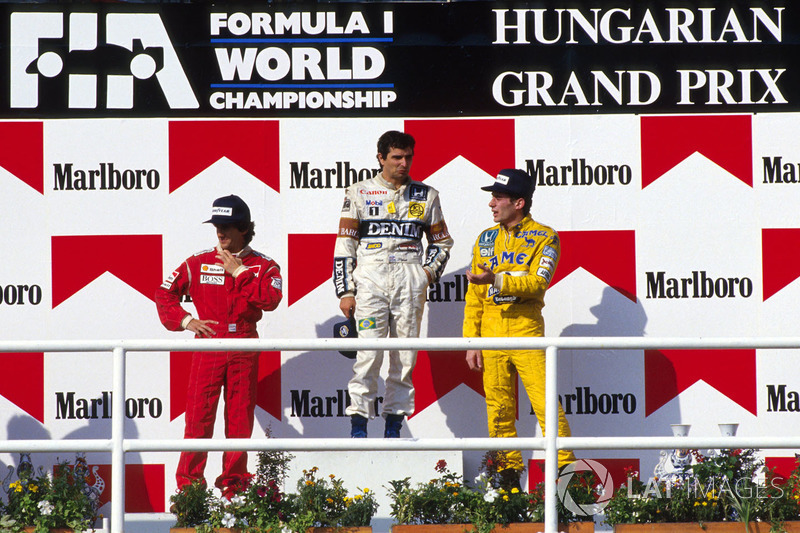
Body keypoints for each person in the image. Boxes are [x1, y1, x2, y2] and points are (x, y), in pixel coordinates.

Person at [155, 194, 283, 496]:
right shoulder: (198, 262)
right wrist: (187, 321)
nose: (220, 233)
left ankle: (234, 491)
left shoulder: (264, 265)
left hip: (243, 343)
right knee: (198, 418)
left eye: (226, 226)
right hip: (209, 343)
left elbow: (271, 300)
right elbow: (164, 294)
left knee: (239, 420)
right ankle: (190, 494)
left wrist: (238, 272)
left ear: (243, 228)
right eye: (216, 226)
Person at [333, 131, 454, 438]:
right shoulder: (358, 192)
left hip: (409, 281)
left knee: (404, 357)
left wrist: (426, 274)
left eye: (408, 157)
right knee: (368, 355)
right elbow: (345, 244)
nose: (404, 163)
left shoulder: (427, 195)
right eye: (397, 157)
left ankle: (393, 427)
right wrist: (345, 290)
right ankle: (359, 427)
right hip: (370, 281)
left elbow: (442, 243)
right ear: (381, 158)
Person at [463, 169, 576, 490]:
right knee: (498, 412)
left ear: (519, 202)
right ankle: (506, 485)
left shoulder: (545, 236)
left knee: (546, 408)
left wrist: (496, 279)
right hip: (491, 337)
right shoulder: (485, 239)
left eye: (498, 198)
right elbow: (474, 296)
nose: (491, 204)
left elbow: (538, 283)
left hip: (527, 334)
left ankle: (568, 484)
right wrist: (472, 340)